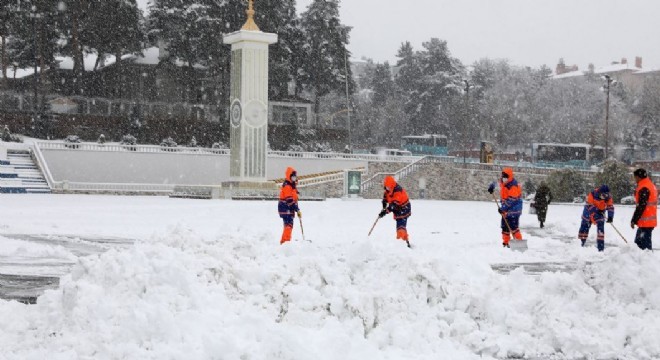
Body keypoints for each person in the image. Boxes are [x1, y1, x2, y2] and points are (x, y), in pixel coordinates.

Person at [488, 167, 523, 248]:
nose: (503, 178)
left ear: (509, 177)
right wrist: (492, 186)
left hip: (514, 210)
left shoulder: (513, 186)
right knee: (505, 227)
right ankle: (506, 242)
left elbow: (512, 199)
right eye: (503, 176)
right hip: (506, 209)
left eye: (505, 177)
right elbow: (496, 182)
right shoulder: (504, 182)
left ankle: (519, 244)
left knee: (513, 227)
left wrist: (503, 208)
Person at [578, 185, 614, 251]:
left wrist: (610, 217)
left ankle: (600, 249)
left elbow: (610, 207)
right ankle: (580, 244)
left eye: (606, 195)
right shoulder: (592, 194)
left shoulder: (608, 198)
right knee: (584, 229)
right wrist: (597, 210)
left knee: (601, 230)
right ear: (599, 193)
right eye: (603, 195)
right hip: (588, 213)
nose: (604, 197)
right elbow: (590, 205)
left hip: (600, 213)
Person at [378, 176, 412, 248]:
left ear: (391, 185)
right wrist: (384, 203)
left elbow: (393, 206)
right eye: (386, 187)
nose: (387, 188)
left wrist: (385, 212)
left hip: (404, 209)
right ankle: (406, 242)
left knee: (400, 227)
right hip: (398, 210)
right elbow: (386, 197)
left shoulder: (397, 191)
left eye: (388, 187)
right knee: (401, 226)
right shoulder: (388, 190)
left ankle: (401, 243)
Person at [631, 168, 657, 250]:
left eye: (635, 177)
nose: (634, 179)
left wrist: (634, 220)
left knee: (643, 249)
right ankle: (643, 261)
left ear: (639, 177)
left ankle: (647, 262)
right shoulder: (650, 185)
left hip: (646, 223)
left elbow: (641, 206)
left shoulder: (644, 187)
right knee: (638, 247)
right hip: (647, 222)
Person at [278, 167, 301, 245]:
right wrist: (297, 209)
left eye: (295, 177)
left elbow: (293, 197)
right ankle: (285, 242)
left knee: (289, 225)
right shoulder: (287, 186)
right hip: (285, 207)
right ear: (289, 176)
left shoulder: (291, 185)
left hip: (288, 208)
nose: (294, 178)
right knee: (288, 225)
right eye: (293, 177)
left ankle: (285, 241)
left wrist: (297, 209)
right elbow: (290, 200)